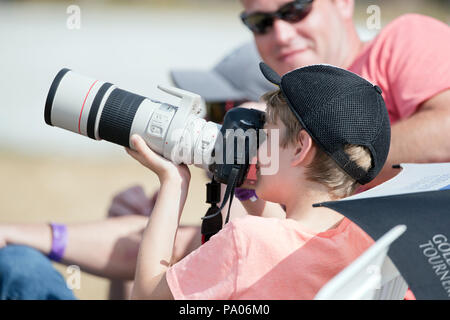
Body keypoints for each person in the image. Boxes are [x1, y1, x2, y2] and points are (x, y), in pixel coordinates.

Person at [127, 63, 391, 299]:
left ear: (300, 148)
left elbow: (146, 295)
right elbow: (291, 241)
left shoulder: (246, 241)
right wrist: (248, 192)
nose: (255, 148)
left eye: (266, 134)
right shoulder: (372, 243)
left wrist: (173, 181)